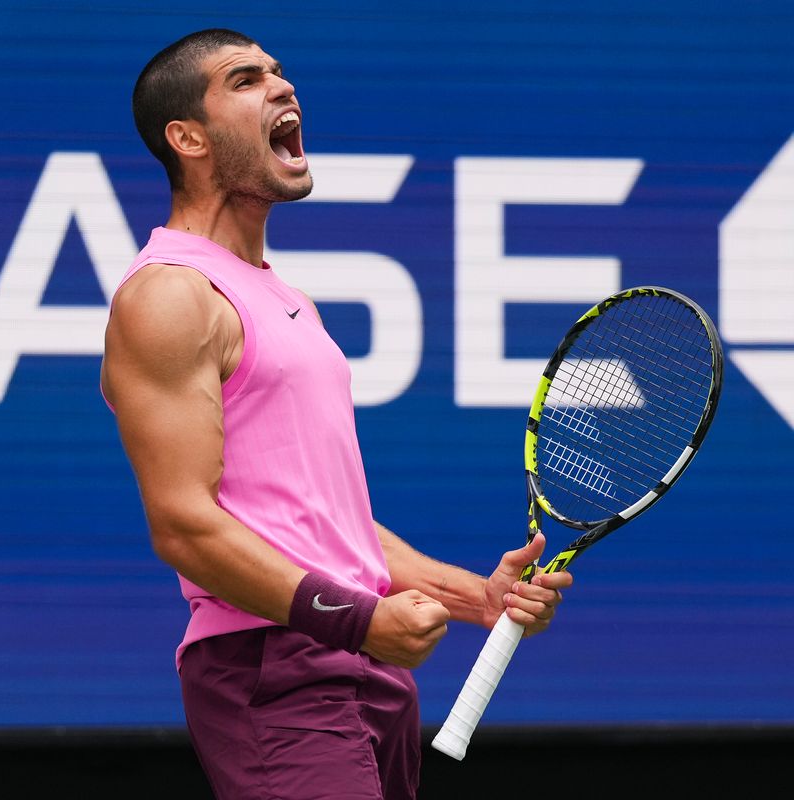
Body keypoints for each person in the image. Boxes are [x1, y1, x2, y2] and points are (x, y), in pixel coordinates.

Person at [100, 28, 573, 799]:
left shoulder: (287, 300)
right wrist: (357, 620)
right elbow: (183, 525)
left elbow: (326, 524)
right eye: (246, 80)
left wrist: (474, 599)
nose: (283, 87)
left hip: (362, 668)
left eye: (279, 73)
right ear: (187, 138)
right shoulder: (170, 295)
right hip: (272, 665)